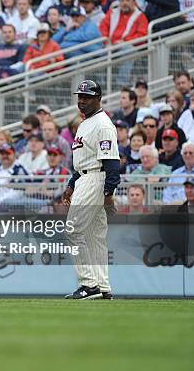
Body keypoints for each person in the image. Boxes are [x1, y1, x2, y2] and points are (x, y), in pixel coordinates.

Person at [61, 79, 121, 300]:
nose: (82, 100)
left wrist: (108, 194)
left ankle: (89, 285)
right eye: (80, 96)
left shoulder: (103, 125)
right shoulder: (86, 123)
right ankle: (103, 287)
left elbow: (112, 163)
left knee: (73, 230)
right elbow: (84, 160)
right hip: (85, 177)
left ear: (99, 98)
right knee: (95, 237)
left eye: (87, 96)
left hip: (96, 179)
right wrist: (70, 185)